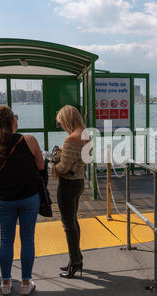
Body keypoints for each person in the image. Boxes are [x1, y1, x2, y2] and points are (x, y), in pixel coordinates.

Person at [0, 105, 45, 296]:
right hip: (29, 197)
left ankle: (6, 283)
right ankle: (26, 284)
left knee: (6, 240)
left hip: (4, 199)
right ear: (12, 120)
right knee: (27, 239)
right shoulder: (29, 140)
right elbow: (41, 165)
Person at [52, 105, 90, 279]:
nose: (61, 126)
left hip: (67, 185)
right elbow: (85, 160)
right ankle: (76, 257)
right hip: (80, 182)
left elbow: (63, 167)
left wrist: (53, 162)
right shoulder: (87, 135)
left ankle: (75, 262)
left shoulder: (70, 139)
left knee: (68, 224)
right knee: (74, 221)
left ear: (67, 120)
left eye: (61, 123)